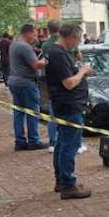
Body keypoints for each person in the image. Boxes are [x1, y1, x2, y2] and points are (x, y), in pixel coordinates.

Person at [45, 24, 94, 199]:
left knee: (62, 143)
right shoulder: (58, 54)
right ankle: (67, 184)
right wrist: (82, 71)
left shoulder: (54, 51)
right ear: (71, 37)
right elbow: (69, 83)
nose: (79, 42)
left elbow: (64, 76)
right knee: (69, 145)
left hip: (63, 105)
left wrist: (79, 71)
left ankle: (62, 180)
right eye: (78, 38)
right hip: (69, 106)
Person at [8, 24, 48, 151]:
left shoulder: (14, 44)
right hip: (26, 83)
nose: (35, 37)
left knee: (19, 112)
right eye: (35, 34)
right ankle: (34, 141)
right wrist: (45, 61)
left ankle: (19, 141)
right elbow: (36, 65)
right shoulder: (24, 47)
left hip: (14, 81)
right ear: (28, 33)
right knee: (32, 112)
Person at [41, 20, 61, 152]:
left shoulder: (45, 45)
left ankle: (53, 143)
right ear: (59, 29)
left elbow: (45, 61)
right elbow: (78, 57)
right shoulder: (64, 42)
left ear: (48, 30)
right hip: (66, 79)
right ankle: (73, 142)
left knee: (53, 113)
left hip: (51, 80)